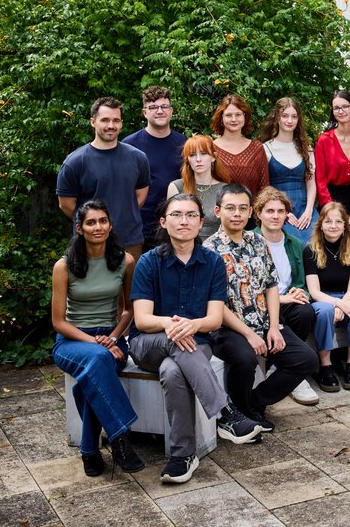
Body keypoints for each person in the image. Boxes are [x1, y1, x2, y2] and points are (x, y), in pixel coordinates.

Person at [130, 193, 263, 484]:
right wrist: (171, 324)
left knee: (173, 371)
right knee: (174, 342)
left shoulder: (213, 263)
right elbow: (142, 320)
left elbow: (214, 319)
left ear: (201, 222)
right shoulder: (148, 262)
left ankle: (183, 456)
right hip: (148, 344)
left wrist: (192, 325)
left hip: (196, 345)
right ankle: (225, 413)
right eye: (176, 215)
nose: (184, 221)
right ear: (163, 222)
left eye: (191, 215)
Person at [203, 184, 319, 431]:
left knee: (306, 359)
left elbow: (271, 286)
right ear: (218, 211)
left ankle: (253, 402)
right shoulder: (208, 251)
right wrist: (249, 334)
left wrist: (274, 326)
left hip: (264, 321)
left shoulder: (258, 241)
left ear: (250, 212)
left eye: (242, 208)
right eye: (230, 208)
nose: (237, 214)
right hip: (228, 329)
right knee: (245, 359)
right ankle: (244, 415)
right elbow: (216, 304)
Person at [51, 200, 144, 477]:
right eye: (90, 222)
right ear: (79, 228)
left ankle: (89, 450)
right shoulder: (63, 267)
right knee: (99, 360)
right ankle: (120, 438)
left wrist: (113, 338)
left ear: (110, 225)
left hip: (112, 339)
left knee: (89, 382)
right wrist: (96, 343)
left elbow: (129, 309)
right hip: (72, 341)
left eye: (103, 221)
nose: (98, 227)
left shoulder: (125, 261)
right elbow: (58, 322)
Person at [57, 96, 150, 258]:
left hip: (130, 242)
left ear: (121, 123)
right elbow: (66, 205)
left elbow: (139, 198)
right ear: (93, 122)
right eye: (105, 120)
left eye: (116, 120)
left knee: (132, 276)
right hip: (90, 244)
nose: (111, 125)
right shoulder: (75, 162)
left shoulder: (138, 158)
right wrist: (93, 224)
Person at [304, 202, 350, 393]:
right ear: (320, 225)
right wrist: (338, 304)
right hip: (322, 300)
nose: (333, 226)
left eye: (338, 222)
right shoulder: (311, 250)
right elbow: (314, 291)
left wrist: (344, 304)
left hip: (346, 297)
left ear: (344, 225)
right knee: (325, 312)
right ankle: (326, 366)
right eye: (328, 221)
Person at [122, 86, 186, 249]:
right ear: (145, 112)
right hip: (139, 228)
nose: (160, 111)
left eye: (164, 106)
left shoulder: (184, 144)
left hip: (175, 226)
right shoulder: (129, 146)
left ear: (171, 111)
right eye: (153, 107)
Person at [260, 97, 317, 245]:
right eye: (285, 116)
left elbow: (311, 182)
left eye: (294, 116)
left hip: (304, 209)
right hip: (278, 210)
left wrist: (309, 211)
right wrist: (283, 212)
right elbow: (264, 187)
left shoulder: (306, 149)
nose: (289, 121)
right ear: (277, 118)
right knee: (294, 244)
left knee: (316, 244)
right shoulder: (265, 149)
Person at [166, 135, 232, 240]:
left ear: (213, 157)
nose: (198, 159)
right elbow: (171, 224)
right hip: (184, 245)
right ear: (187, 160)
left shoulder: (225, 190)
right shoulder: (176, 187)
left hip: (217, 247)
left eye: (203, 154)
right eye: (192, 155)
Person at [315, 90, 350, 229]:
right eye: (336, 108)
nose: (341, 111)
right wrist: (330, 208)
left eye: (345, 106)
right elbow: (320, 181)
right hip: (330, 199)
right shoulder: (324, 140)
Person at [211, 94, 269, 200]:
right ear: (221, 118)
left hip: (252, 209)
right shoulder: (211, 148)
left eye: (238, 114)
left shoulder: (257, 148)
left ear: (245, 116)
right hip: (221, 210)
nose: (234, 119)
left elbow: (264, 188)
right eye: (229, 115)